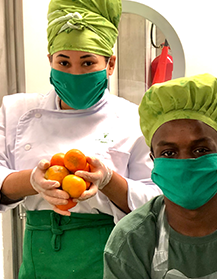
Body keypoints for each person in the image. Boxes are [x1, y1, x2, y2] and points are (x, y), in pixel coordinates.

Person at [0, 0, 161, 278]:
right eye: (64, 62)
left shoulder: (135, 120)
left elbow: (157, 201)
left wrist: (108, 181)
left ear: (110, 64)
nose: (75, 72)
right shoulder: (16, 111)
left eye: (88, 62)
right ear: (50, 60)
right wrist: (32, 182)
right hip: (40, 257)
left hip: (110, 253)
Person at [103, 73, 217, 278]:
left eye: (200, 150)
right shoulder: (131, 241)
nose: (185, 162)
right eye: (169, 153)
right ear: (153, 159)